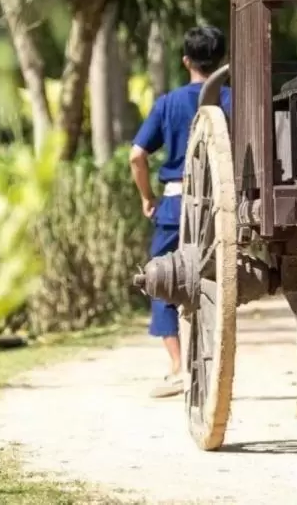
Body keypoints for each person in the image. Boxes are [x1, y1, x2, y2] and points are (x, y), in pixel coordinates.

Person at [129, 25, 231, 398]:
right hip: (224, 211)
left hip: (175, 207)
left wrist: (147, 197)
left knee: (160, 281)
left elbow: (137, 156)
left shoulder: (167, 104)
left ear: (185, 60)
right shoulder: (234, 101)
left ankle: (176, 367)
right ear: (220, 61)